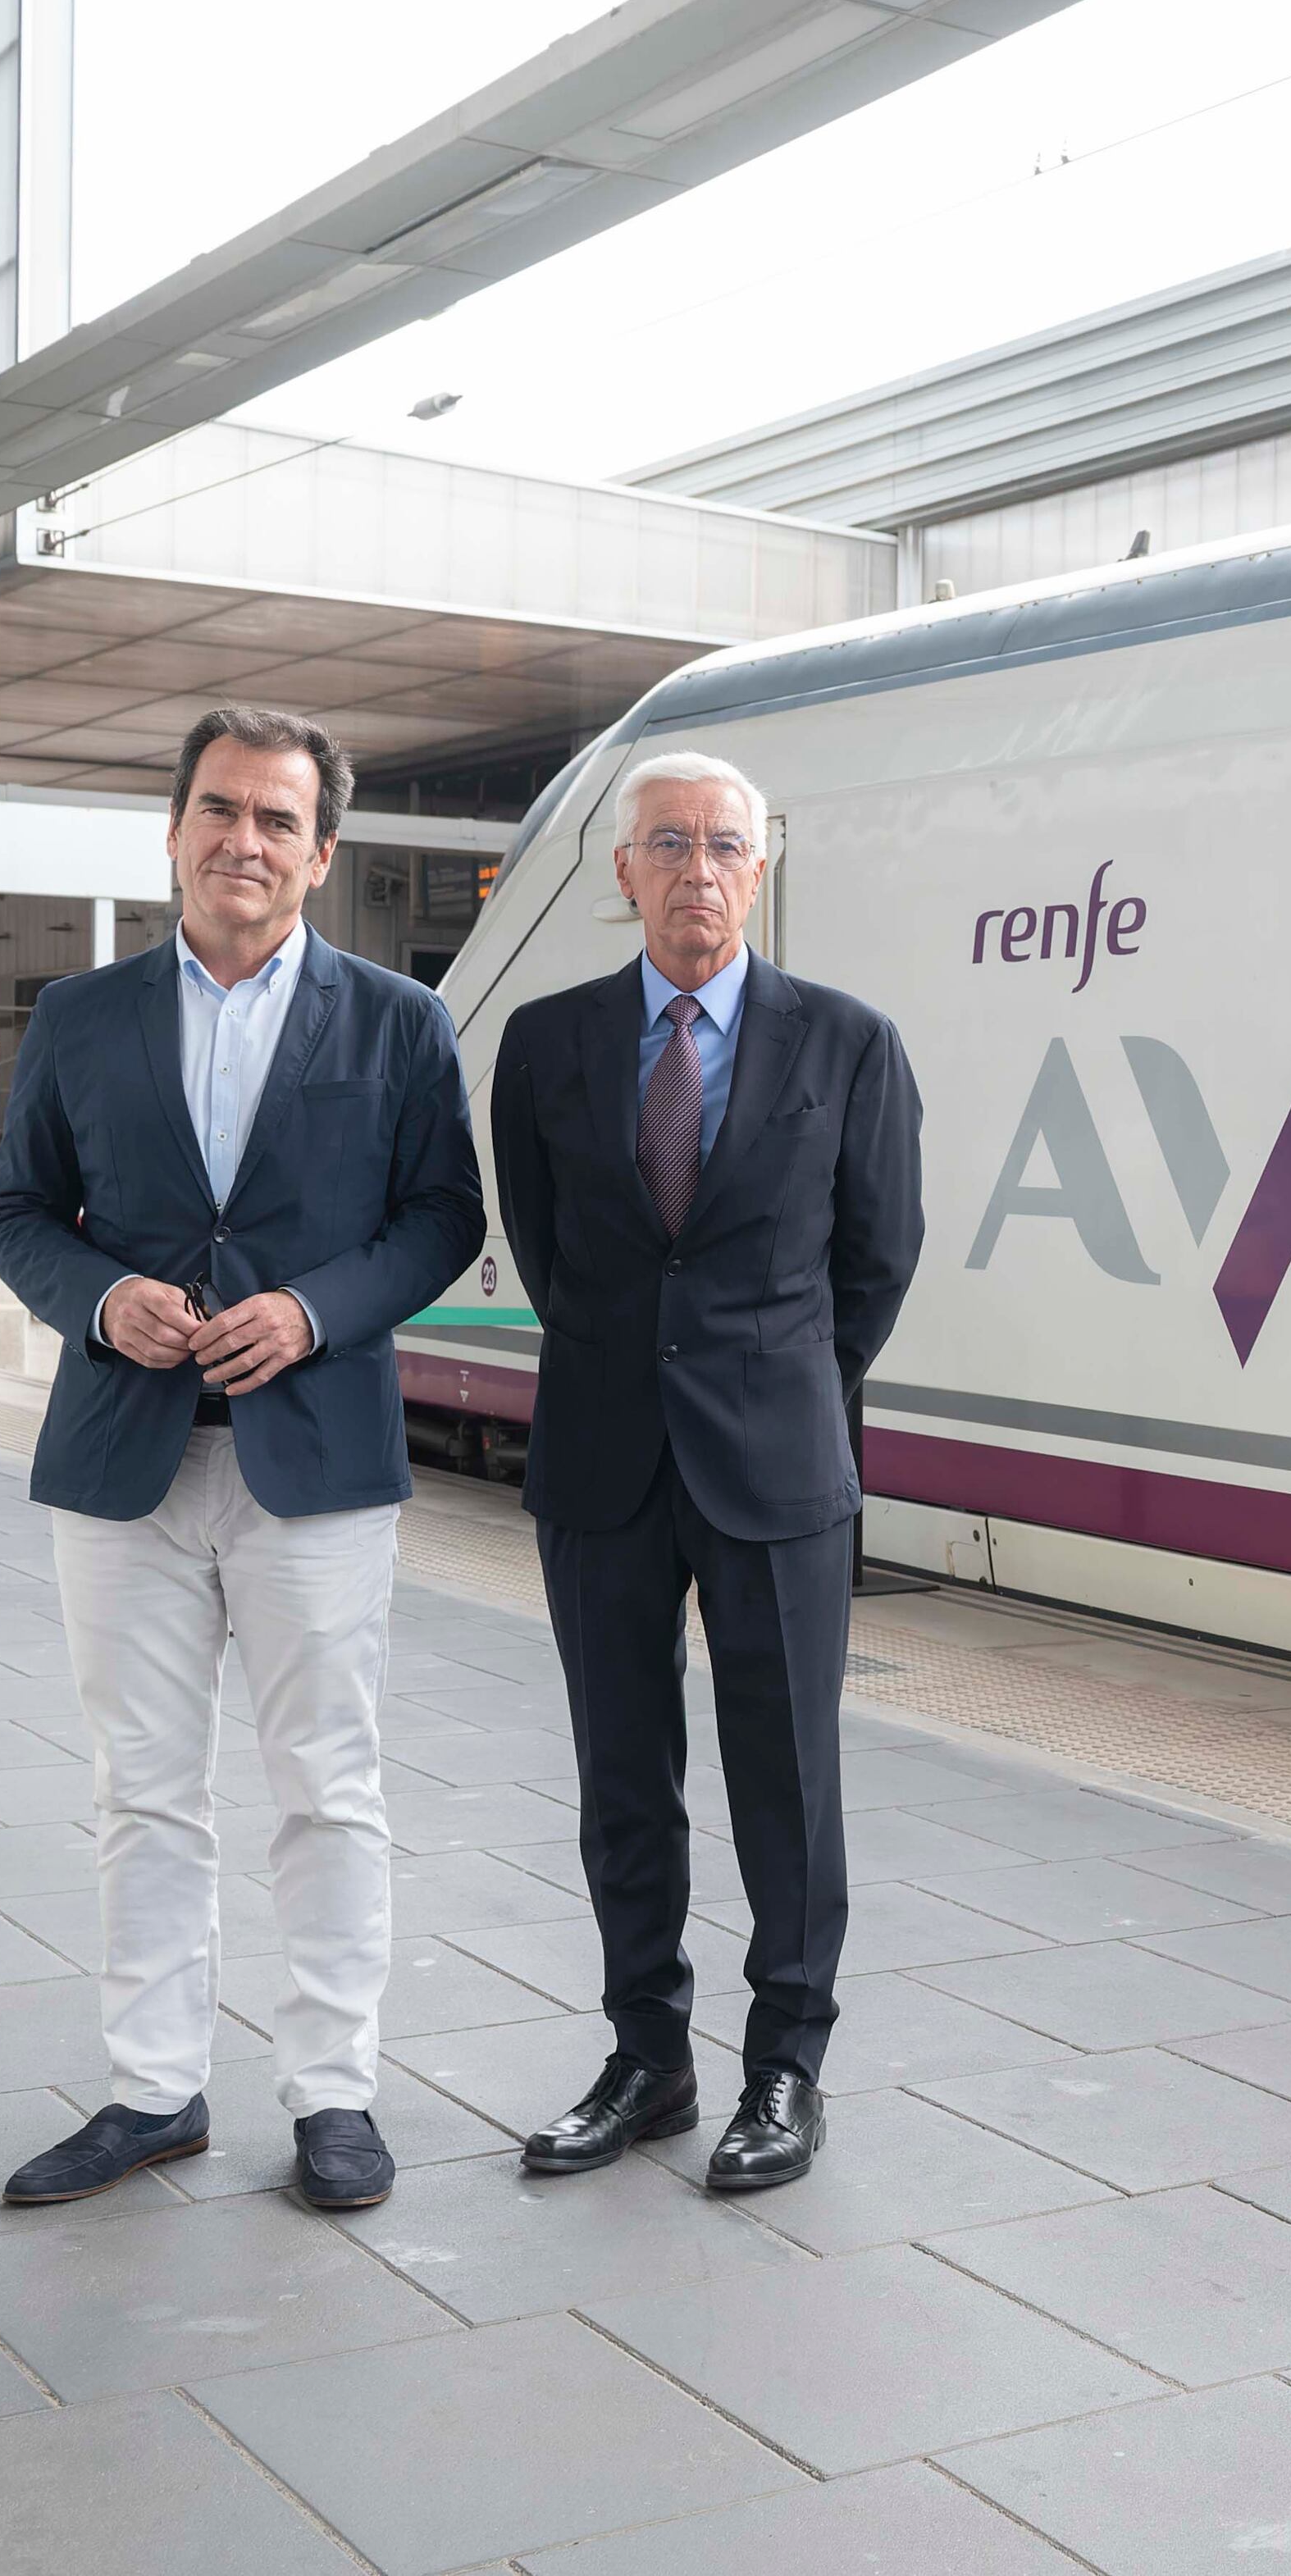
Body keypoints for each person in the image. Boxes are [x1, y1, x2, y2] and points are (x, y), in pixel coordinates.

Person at [0, 708, 482, 2213]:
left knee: (326, 1781)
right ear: (175, 828)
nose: (241, 840)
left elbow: (442, 1217)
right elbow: (14, 1214)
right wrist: (98, 1296)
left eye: (276, 818)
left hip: (313, 1465)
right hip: (123, 1463)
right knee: (142, 1788)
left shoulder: (400, 1021)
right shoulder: (79, 1014)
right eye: (218, 809)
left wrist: (317, 1309)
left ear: (322, 854)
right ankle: (152, 2087)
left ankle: (334, 2090)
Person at [487, 750, 921, 2191]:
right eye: (667, 843)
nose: (697, 869)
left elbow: (878, 1260)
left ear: (763, 864)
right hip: (602, 1451)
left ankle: (786, 2070)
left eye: (724, 843)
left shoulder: (848, 1045)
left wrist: (775, 1378)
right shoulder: (545, 1046)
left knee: (787, 1778)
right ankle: (647, 2059)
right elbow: (553, 1258)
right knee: (623, 1772)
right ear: (622, 871)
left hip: (778, 1462)